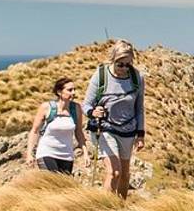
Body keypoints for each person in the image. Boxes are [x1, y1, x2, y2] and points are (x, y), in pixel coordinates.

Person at [83, 40, 145, 199]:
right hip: (104, 129)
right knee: (114, 172)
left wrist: (140, 134)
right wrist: (93, 112)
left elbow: (139, 108)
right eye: (120, 64)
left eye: (128, 64)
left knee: (124, 175)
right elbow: (86, 105)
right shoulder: (101, 75)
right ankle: (103, 210)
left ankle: (120, 210)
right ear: (113, 59)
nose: (124, 69)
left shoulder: (137, 78)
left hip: (128, 131)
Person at [26, 77, 87, 174]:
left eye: (74, 89)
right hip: (47, 152)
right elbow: (34, 131)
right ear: (59, 92)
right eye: (70, 90)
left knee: (63, 188)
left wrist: (85, 153)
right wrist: (29, 154)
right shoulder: (47, 107)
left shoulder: (76, 108)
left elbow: (79, 131)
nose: (74, 93)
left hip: (67, 156)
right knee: (52, 182)